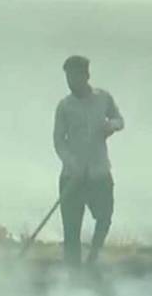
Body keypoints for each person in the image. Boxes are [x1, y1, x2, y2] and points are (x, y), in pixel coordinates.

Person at [53, 55, 124, 268]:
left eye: (74, 77)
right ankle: (73, 276)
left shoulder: (103, 98)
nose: (70, 82)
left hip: (98, 172)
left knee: (104, 217)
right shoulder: (65, 107)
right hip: (72, 176)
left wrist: (110, 126)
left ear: (86, 76)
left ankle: (93, 258)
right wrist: (70, 162)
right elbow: (58, 140)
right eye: (68, 77)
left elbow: (119, 120)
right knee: (71, 230)